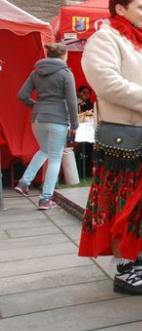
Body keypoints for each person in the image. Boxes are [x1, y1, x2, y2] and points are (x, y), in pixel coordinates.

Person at [78, 0, 142, 296]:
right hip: (126, 136)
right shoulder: (104, 38)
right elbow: (107, 83)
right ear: (121, 9)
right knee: (124, 202)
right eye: (141, 7)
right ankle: (124, 267)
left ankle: (139, 258)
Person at [15, 43, 79, 210]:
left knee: (44, 150)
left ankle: (24, 182)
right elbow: (72, 101)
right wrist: (74, 124)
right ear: (63, 56)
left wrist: (36, 105)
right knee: (55, 158)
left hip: (38, 118)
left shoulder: (36, 72)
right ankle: (45, 199)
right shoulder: (66, 73)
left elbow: (22, 95)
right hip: (58, 119)